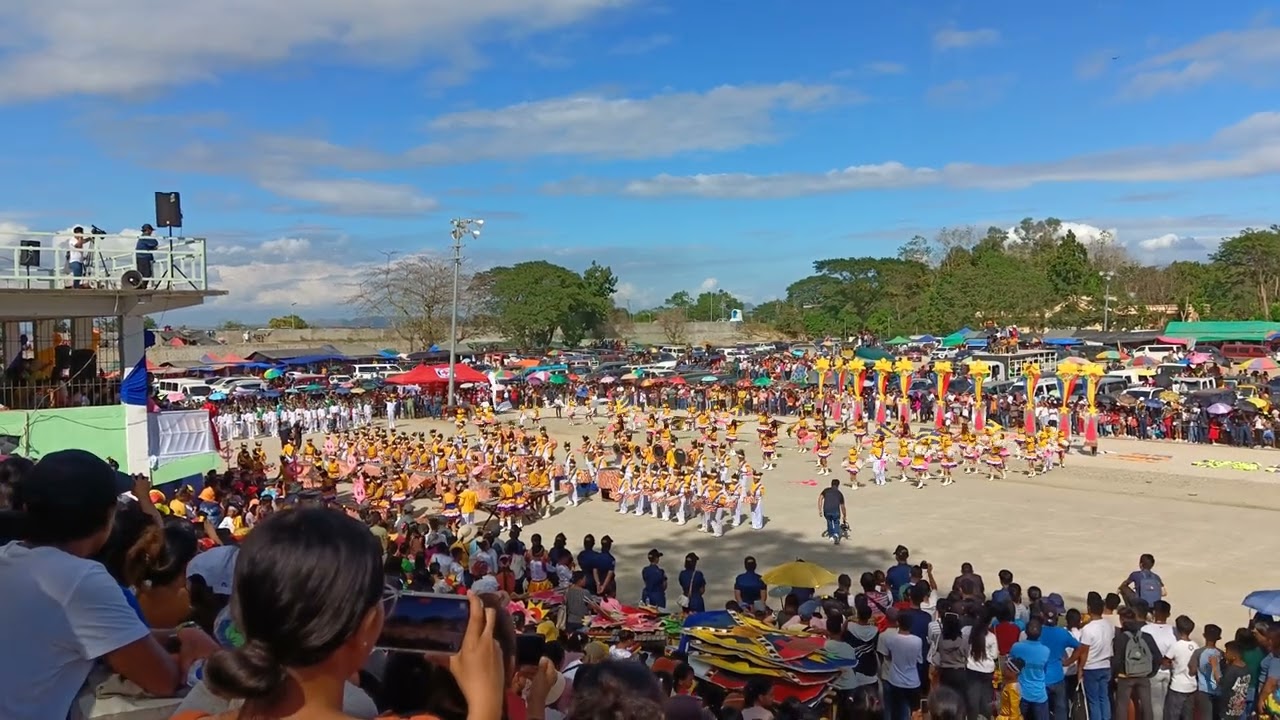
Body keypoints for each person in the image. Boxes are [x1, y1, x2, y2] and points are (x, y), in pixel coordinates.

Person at [0, 450, 212, 718]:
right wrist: (188, 634)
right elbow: (161, 679)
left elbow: (120, 637)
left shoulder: (8, 557)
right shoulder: (81, 580)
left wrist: (182, 631)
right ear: (108, 517)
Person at [879, 609, 924, 720]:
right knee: (914, 713)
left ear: (898, 623)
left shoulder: (891, 639)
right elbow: (919, 660)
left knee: (897, 711)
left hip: (895, 681)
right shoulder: (917, 640)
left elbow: (887, 656)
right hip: (913, 681)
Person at [1080, 593, 1115, 720]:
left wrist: (1080, 670)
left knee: (1093, 700)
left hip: (1091, 667)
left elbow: (1084, 652)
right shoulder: (1109, 626)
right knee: (1104, 697)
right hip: (1106, 665)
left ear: (1089, 609)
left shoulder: (1087, 629)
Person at [1010, 618, 1053, 720]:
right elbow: (1045, 670)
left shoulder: (1016, 647)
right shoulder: (1046, 651)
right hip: (1039, 695)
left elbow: (1011, 666)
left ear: (1025, 632)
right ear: (1040, 633)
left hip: (1021, 694)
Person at [818, 478, 846, 545]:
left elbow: (820, 498)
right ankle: (836, 534)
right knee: (836, 522)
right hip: (836, 510)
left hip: (826, 509)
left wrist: (820, 509)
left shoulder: (826, 490)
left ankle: (831, 536)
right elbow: (842, 506)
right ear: (838, 485)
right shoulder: (839, 494)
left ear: (831, 484)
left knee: (829, 521)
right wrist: (844, 515)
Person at [136, 223, 159, 288]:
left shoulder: (142, 238)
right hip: (144, 257)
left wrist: (151, 248)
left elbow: (147, 246)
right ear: (148, 230)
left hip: (141, 257)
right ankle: (142, 287)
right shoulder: (145, 237)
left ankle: (140, 286)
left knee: (142, 273)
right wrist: (153, 248)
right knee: (147, 273)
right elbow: (154, 243)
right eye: (151, 230)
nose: (151, 232)